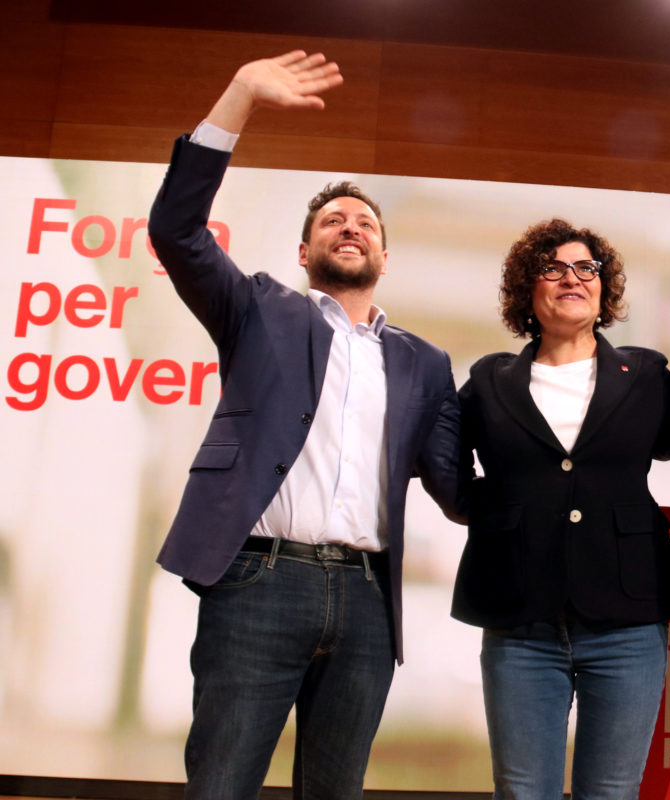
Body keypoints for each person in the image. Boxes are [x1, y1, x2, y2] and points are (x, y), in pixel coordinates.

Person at [147, 51, 461, 799]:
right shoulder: (258, 308)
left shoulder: (426, 361)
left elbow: (455, 485)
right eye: (332, 220)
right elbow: (177, 230)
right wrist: (241, 95)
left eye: (364, 222)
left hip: (366, 598)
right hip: (259, 580)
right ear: (304, 251)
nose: (349, 228)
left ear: (385, 254)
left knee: (337, 790)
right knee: (221, 783)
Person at [451, 218, 670, 800]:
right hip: (519, 621)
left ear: (604, 288)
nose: (571, 277)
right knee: (523, 789)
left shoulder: (649, 374)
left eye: (586, 267)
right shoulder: (488, 379)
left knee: (610, 791)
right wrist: (499, 510)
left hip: (628, 621)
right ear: (526, 290)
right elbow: (446, 468)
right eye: (552, 268)